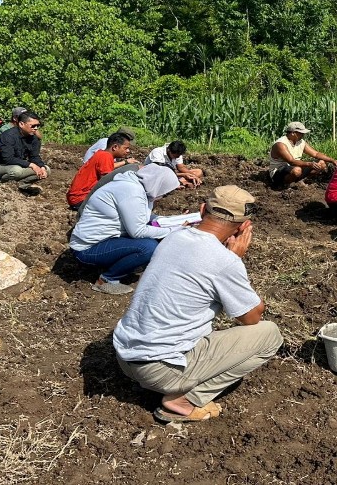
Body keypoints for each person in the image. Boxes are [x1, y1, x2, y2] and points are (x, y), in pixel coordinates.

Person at [114, 185, 283, 423]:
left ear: (202, 210)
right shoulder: (225, 261)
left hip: (125, 356)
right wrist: (234, 260)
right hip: (160, 369)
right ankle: (184, 401)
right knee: (270, 335)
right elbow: (251, 318)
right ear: (244, 226)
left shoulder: (174, 236)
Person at [69, 164, 182, 294]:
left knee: (150, 238)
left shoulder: (135, 186)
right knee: (148, 247)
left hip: (100, 241)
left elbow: (140, 215)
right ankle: (106, 280)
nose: (164, 195)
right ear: (158, 184)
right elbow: (138, 231)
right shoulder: (131, 191)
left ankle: (113, 264)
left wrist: (165, 221)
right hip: (86, 249)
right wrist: (171, 231)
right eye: (165, 191)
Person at [0, 110, 49, 195]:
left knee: (46, 170)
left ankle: (21, 185)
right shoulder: (8, 136)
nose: (36, 128)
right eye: (33, 125)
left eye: (37, 125)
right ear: (21, 124)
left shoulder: (34, 138)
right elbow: (8, 159)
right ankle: (0, 184)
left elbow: (34, 156)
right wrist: (31, 165)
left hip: (15, 167)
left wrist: (41, 167)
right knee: (16, 170)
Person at [66, 132, 134, 208]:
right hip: (81, 198)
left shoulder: (102, 154)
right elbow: (107, 183)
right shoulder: (106, 157)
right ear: (115, 147)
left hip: (77, 197)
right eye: (126, 148)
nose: (128, 151)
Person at [268, 122, 337, 189]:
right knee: (297, 170)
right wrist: (309, 164)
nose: (303, 135)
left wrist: (332, 160)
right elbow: (291, 161)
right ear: (293, 133)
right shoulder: (280, 144)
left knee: (321, 163)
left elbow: (315, 154)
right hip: (279, 171)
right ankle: (285, 184)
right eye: (301, 133)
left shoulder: (300, 142)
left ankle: (301, 180)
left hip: (296, 167)